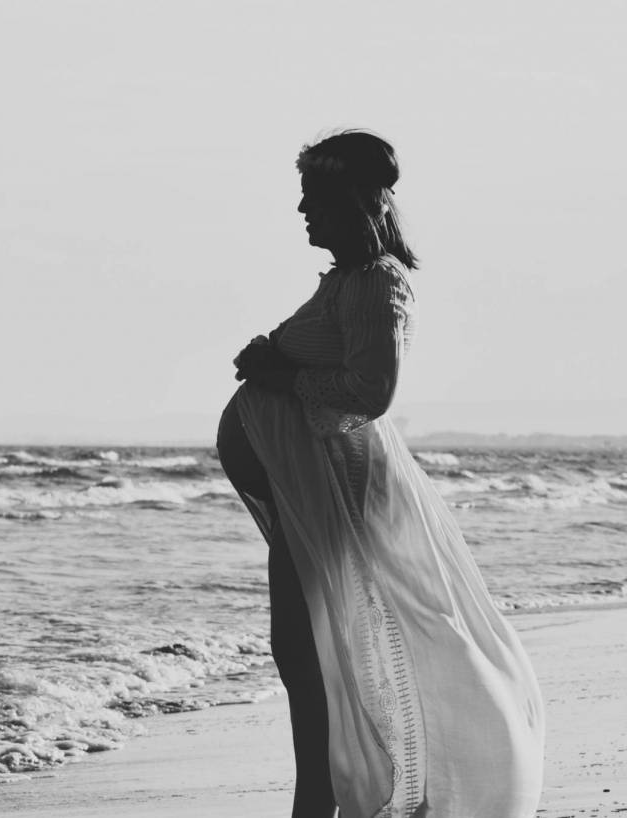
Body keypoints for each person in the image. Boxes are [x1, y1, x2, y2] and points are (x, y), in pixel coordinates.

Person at [216, 131, 545, 818]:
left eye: (316, 199)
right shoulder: (346, 282)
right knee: (307, 661)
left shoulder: (378, 282)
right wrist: (273, 359)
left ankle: (348, 803)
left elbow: (372, 390)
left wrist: (281, 371)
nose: (303, 209)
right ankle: (337, 803)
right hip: (307, 498)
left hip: (331, 497)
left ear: (356, 204)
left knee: (314, 663)